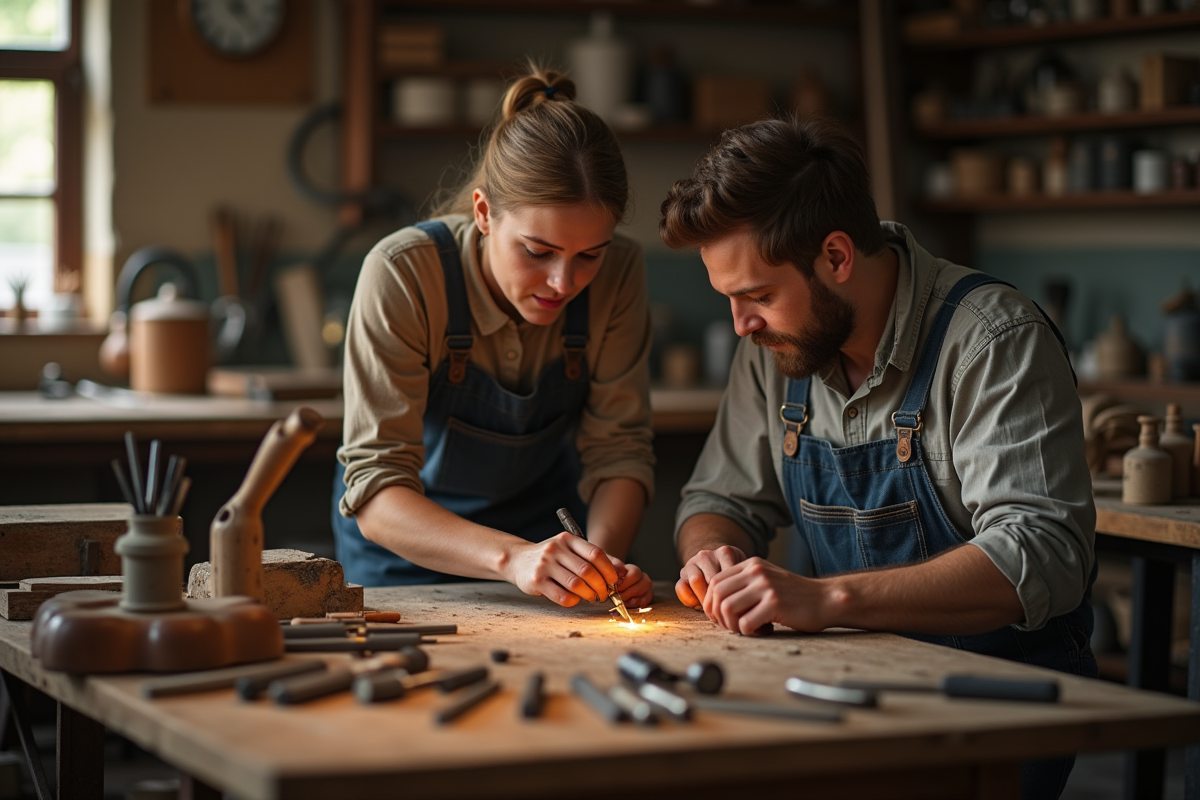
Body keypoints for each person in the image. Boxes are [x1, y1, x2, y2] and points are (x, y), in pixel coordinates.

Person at [659, 116, 1095, 798]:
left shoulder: (992, 341)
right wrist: (711, 553)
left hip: (994, 703)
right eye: (731, 300)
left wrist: (828, 597)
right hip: (842, 688)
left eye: (758, 296)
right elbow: (717, 501)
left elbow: (1042, 554)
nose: (741, 326)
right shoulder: (776, 350)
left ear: (836, 257)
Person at [333, 67, 654, 611]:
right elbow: (376, 492)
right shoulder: (404, 273)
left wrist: (595, 564)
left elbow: (619, 452)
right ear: (484, 213)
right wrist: (514, 559)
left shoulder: (620, 272)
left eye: (590, 256)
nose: (563, 283)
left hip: (547, 552)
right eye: (537, 250)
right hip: (405, 563)